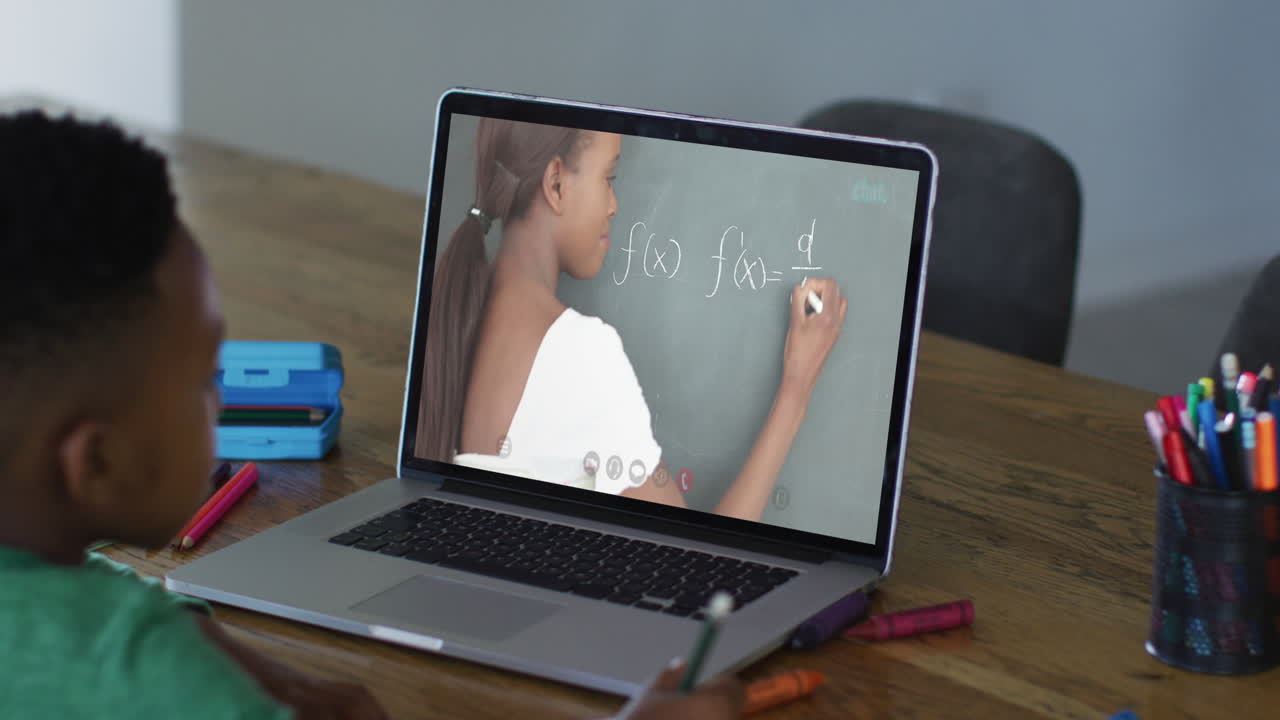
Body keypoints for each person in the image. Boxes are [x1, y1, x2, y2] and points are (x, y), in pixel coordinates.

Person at [0, 111, 743, 720]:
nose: (221, 401)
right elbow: (715, 559)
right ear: (95, 462)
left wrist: (205, 640)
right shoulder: (151, 679)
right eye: (203, 379)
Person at [419, 119, 848, 521]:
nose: (613, 205)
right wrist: (797, 386)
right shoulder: (581, 351)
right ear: (555, 184)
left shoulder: (465, 315)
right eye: (609, 178)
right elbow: (695, 566)